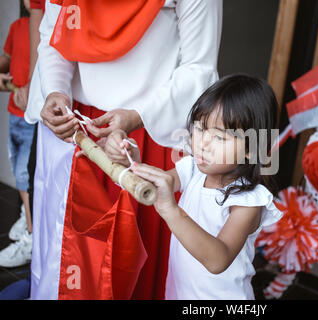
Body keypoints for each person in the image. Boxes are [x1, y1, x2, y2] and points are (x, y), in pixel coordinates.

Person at [25, 0, 222, 299]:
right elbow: (54, 34)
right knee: (66, 257)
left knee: (137, 260)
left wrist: (137, 117)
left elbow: (199, 67)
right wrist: (55, 89)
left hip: (149, 130)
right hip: (75, 127)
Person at [104, 74, 283, 299]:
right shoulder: (192, 169)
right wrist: (130, 159)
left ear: (252, 148)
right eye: (200, 129)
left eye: (219, 138)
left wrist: (172, 211)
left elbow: (219, 260)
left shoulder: (248, 200)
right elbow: (152, 187)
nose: (203, 143)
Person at [0, 0, 34, 268]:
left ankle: (32, 237)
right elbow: (8, 60)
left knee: (28, 174)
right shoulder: (17, 26)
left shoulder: (46, 27)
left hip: (36, 118)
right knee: (19, 170)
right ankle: (27, 213)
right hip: (15, 113)